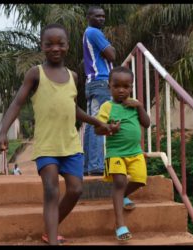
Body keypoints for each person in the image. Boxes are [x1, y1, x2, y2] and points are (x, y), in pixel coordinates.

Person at [0, 23, 112, 245]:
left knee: (76, 190)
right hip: (47, 146)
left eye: (61, 43)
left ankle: (51, 228)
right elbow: (17, 103)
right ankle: (52, 240)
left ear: (68, 46)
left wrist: (97, 122)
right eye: (49, 44)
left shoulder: (73, 76)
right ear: (42, 46)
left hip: (70, 145)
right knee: (51, 189)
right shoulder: (35, 74)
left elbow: (73, 108)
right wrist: (2, 132)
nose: (55, 48)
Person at [95, 66, 150, 241]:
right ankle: (120, 225)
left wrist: (140, 106)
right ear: (109, 86)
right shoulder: (107, 106)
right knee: (119, 181)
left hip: (135, 152)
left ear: (131, 87)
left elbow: (147, 123)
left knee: (140, 179)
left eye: (126, 86)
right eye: (116, 86)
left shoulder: (134, 104)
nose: (121, 90)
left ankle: (124, 195)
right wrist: (109, 129)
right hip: (115, 153)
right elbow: (97, 129)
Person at [83, 6, 116, 176]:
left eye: (103, 16)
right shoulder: (94, 32)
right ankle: (96, 165)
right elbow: (112, 54)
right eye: (97, 16)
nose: (101, 19)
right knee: (99, 123)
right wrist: (110, 48)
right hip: (101, 81)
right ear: (88, 17)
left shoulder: (89, 33)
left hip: (93, 82)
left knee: (91, 124)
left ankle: (88, 165)